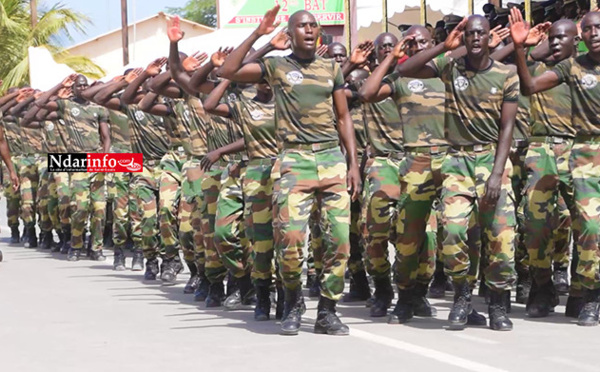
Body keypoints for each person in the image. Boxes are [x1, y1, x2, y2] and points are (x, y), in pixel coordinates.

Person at [218, 5, 360, 336]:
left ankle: (328, 310)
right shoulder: (276, 66)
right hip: (294, 162)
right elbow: (228, 69)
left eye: (314, 25)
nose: (310, 30)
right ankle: (293, 302)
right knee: (291, 239)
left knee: (339, 240)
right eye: (302, 26)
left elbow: (343, 118)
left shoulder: (330, 68)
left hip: (330, 159)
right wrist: (259, 35)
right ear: (291, 32)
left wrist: (352, 163)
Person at [398, 15, 519, 331]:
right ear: (463, 38)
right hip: (457, 161)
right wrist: (443, 46)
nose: (475, 38)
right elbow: (405, 70)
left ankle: (496, 304)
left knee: (502, 238)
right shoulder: (451, 67)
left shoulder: (506, 75)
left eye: (480, 33)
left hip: (493, 160)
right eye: (470, 33)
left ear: (488, 36)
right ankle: (462, 295)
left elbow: (507, 128)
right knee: (452, 231)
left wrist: (495, 174)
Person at [510, 9, 600, 326]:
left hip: (581, 149)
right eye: (553, 38)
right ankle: (541, 287)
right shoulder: (543, 68)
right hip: (541, 150)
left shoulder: (583, 68)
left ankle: (582, 293)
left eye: (564, 37)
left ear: (578, 40)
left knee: (586, 225)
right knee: (533, 223)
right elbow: (527, 82)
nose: (556, 42)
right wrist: (523, 46)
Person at [35, 74, 111, 262]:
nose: (82, 89)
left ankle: (96, 247)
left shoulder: (98, 109)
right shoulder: (66, 105)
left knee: (100, 209)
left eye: (85, 86)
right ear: (73, 88)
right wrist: (61, 85)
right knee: (80, 207)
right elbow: (41, 103)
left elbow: (106, 137)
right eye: (79, 86)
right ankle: (76, 245)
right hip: (76, 161)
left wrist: (105, 158)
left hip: (96, 159)